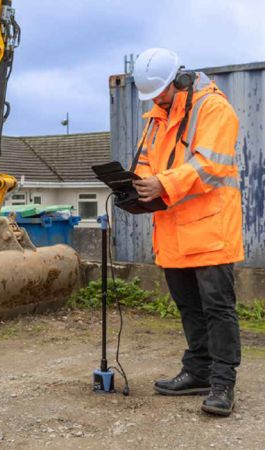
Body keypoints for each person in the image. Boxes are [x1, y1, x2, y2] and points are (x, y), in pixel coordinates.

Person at [132, 48, 244, 417]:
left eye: (160, 93)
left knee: (217, 309)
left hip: (210, 228)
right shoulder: (156, 116)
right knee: (189, 308)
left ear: (179, 80)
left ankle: (222, 383)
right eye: (151, 96)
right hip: (172, 229)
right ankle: (198, 371)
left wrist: (161, 184)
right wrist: (133, 185)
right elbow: (145, 159)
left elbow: (210, 165)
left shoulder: (213, 109)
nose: (156, 100)